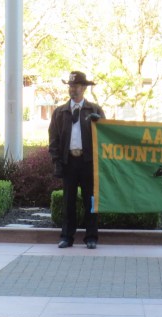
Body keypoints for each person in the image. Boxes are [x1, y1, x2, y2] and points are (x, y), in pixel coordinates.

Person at [48, 71, 105, 250]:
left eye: (76, 86)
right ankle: (66, 237)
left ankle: (91, 237)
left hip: (88, 162)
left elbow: (105, 135)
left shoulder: (94, 110)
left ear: (84, 88)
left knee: (90, 201)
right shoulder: (60, 112)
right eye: (71, 86)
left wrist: (100, 123)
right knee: (68, 202)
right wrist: (57, 160)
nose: (73, 90)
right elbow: (53, 138)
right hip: (69, 162)